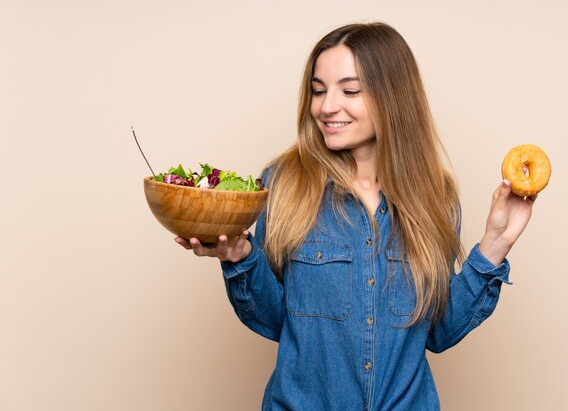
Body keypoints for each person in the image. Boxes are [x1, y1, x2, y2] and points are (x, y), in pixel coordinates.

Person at [175, 22, 535, 411]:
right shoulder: (284, 184)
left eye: (350, 91)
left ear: (393, 98)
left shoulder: (436, 197)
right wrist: (240, 257)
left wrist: (496, 244)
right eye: (318, 90)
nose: (327, 106)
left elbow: (438, 332)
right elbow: (276, 319)